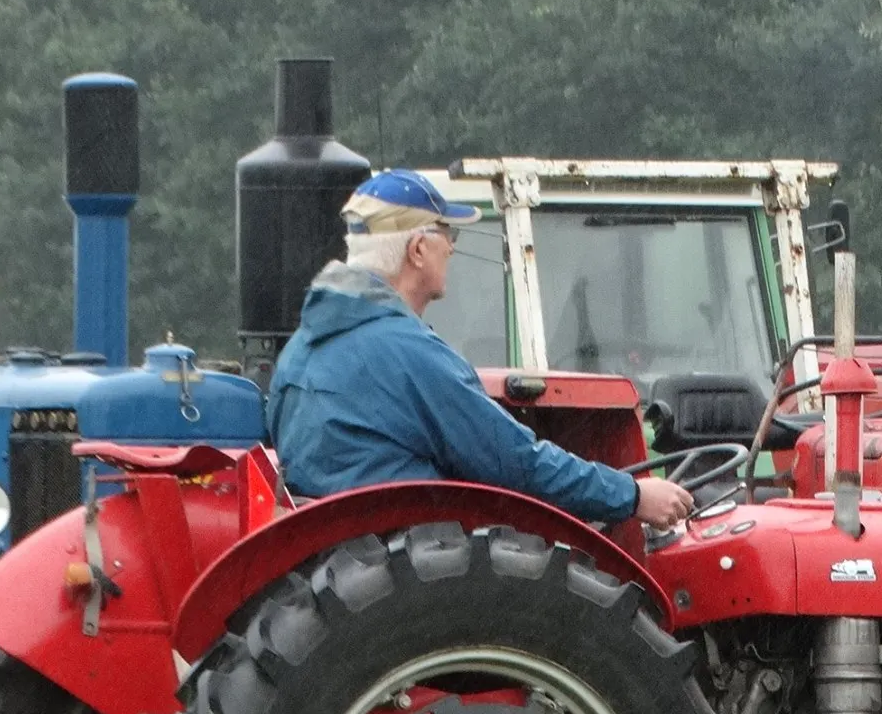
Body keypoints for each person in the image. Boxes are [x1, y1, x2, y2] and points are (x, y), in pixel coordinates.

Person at [268, 168, 694, 530]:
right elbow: (514, 462)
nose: (452, 246)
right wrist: (632, 495)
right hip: (408, 555)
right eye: (446, 232)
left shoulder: (299, 353)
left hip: (345, 560)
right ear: (417, 249)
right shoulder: (409, 355)